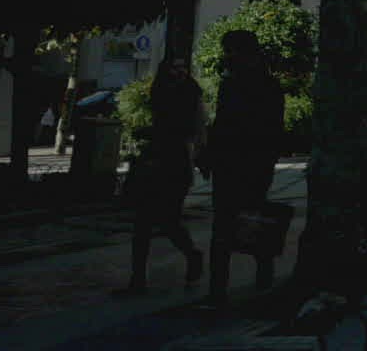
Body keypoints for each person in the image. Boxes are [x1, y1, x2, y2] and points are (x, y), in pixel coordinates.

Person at [205, 30, 284, 306]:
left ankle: (218, 290)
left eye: (230, 50)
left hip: (235, 164)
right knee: (253, 221)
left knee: (225, 228)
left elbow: (223, 125)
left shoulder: (234, 84)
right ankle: (261, 278)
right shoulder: (268, 85)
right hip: (250, 165)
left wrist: (212, 155)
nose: (227, 56)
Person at [120, 58, 206, 296]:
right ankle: (137, 280)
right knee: (143, 223)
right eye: (174, 67)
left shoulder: (191, 93)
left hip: (176, 163)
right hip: (154, 159)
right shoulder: (160, 91)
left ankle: (192, 255)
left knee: (169, 221)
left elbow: (197, 128)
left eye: (183, 67)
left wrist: (199, 154)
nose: (180, 71)